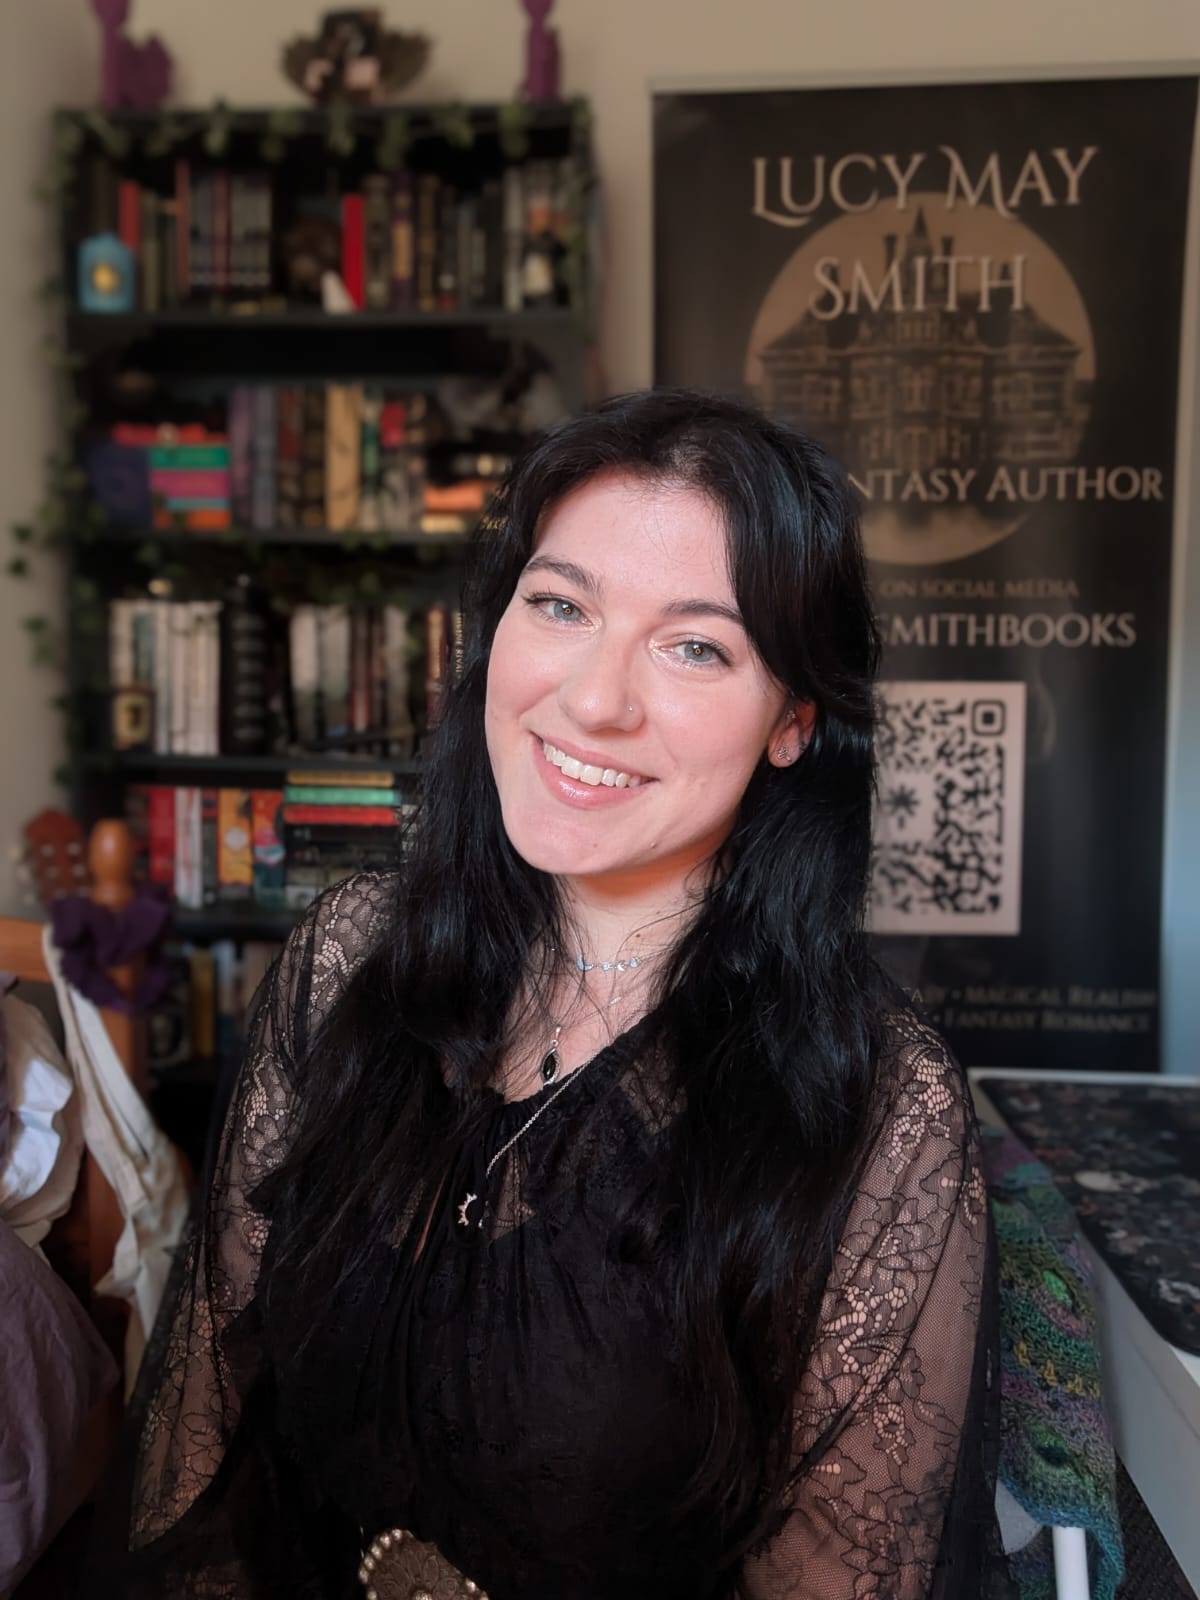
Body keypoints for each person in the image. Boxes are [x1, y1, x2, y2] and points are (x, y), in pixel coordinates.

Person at [96, 388, 1011, 1599]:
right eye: (562, 605)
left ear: (792, 719)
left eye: (696, 646)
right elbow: (209, 1432)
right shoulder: (348, 960)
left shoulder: (880, 1104)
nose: (592, 699)